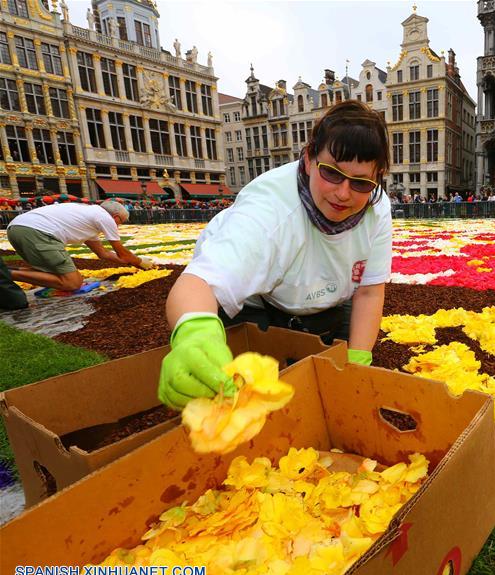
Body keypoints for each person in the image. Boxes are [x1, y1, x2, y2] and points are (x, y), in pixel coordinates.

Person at [158, 100, 391, 409]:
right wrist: (193, 333)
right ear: (309, 160)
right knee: (237, 390)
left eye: (361, 182)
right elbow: (199, 283)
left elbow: (369, 293)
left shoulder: (377, 206)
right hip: (257, 299)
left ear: (377, 178)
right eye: (332, 174)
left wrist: (358, 361)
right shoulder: (269, 211)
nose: (344, 193)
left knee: (330, 377)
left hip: (323, 297)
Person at [5, 200, 150, 294]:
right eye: (121, 221)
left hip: (16, 229)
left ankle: (7, 270)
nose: (119, 225)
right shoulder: (104, 217)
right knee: (73, 283)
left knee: (48, 271)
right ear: (115, 216)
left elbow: (103, 254)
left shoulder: (88, 217)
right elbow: (122, 253)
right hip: (38, 233)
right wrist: (140, 262)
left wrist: (131, 263)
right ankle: (5, 274)